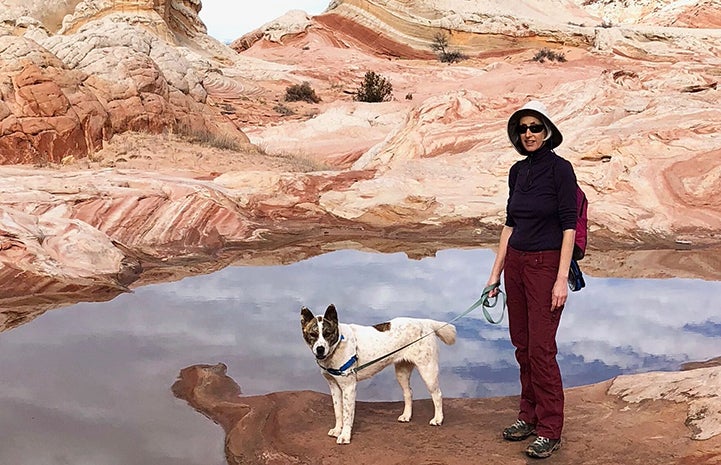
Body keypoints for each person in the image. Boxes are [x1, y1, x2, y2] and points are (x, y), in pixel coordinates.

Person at [485, 100, 577, 459]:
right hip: (517, 265)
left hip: (545, 265)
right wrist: (495, 274)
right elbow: (511, 224)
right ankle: (529, 415)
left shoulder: (561, 170)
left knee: (542, 350)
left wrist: (560, 279)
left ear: (548, 131)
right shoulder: (517, 172)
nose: (528, 134)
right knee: (522, 347)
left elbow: (569, 226)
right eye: (522, 128)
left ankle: (551, 429)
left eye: (535, 128)